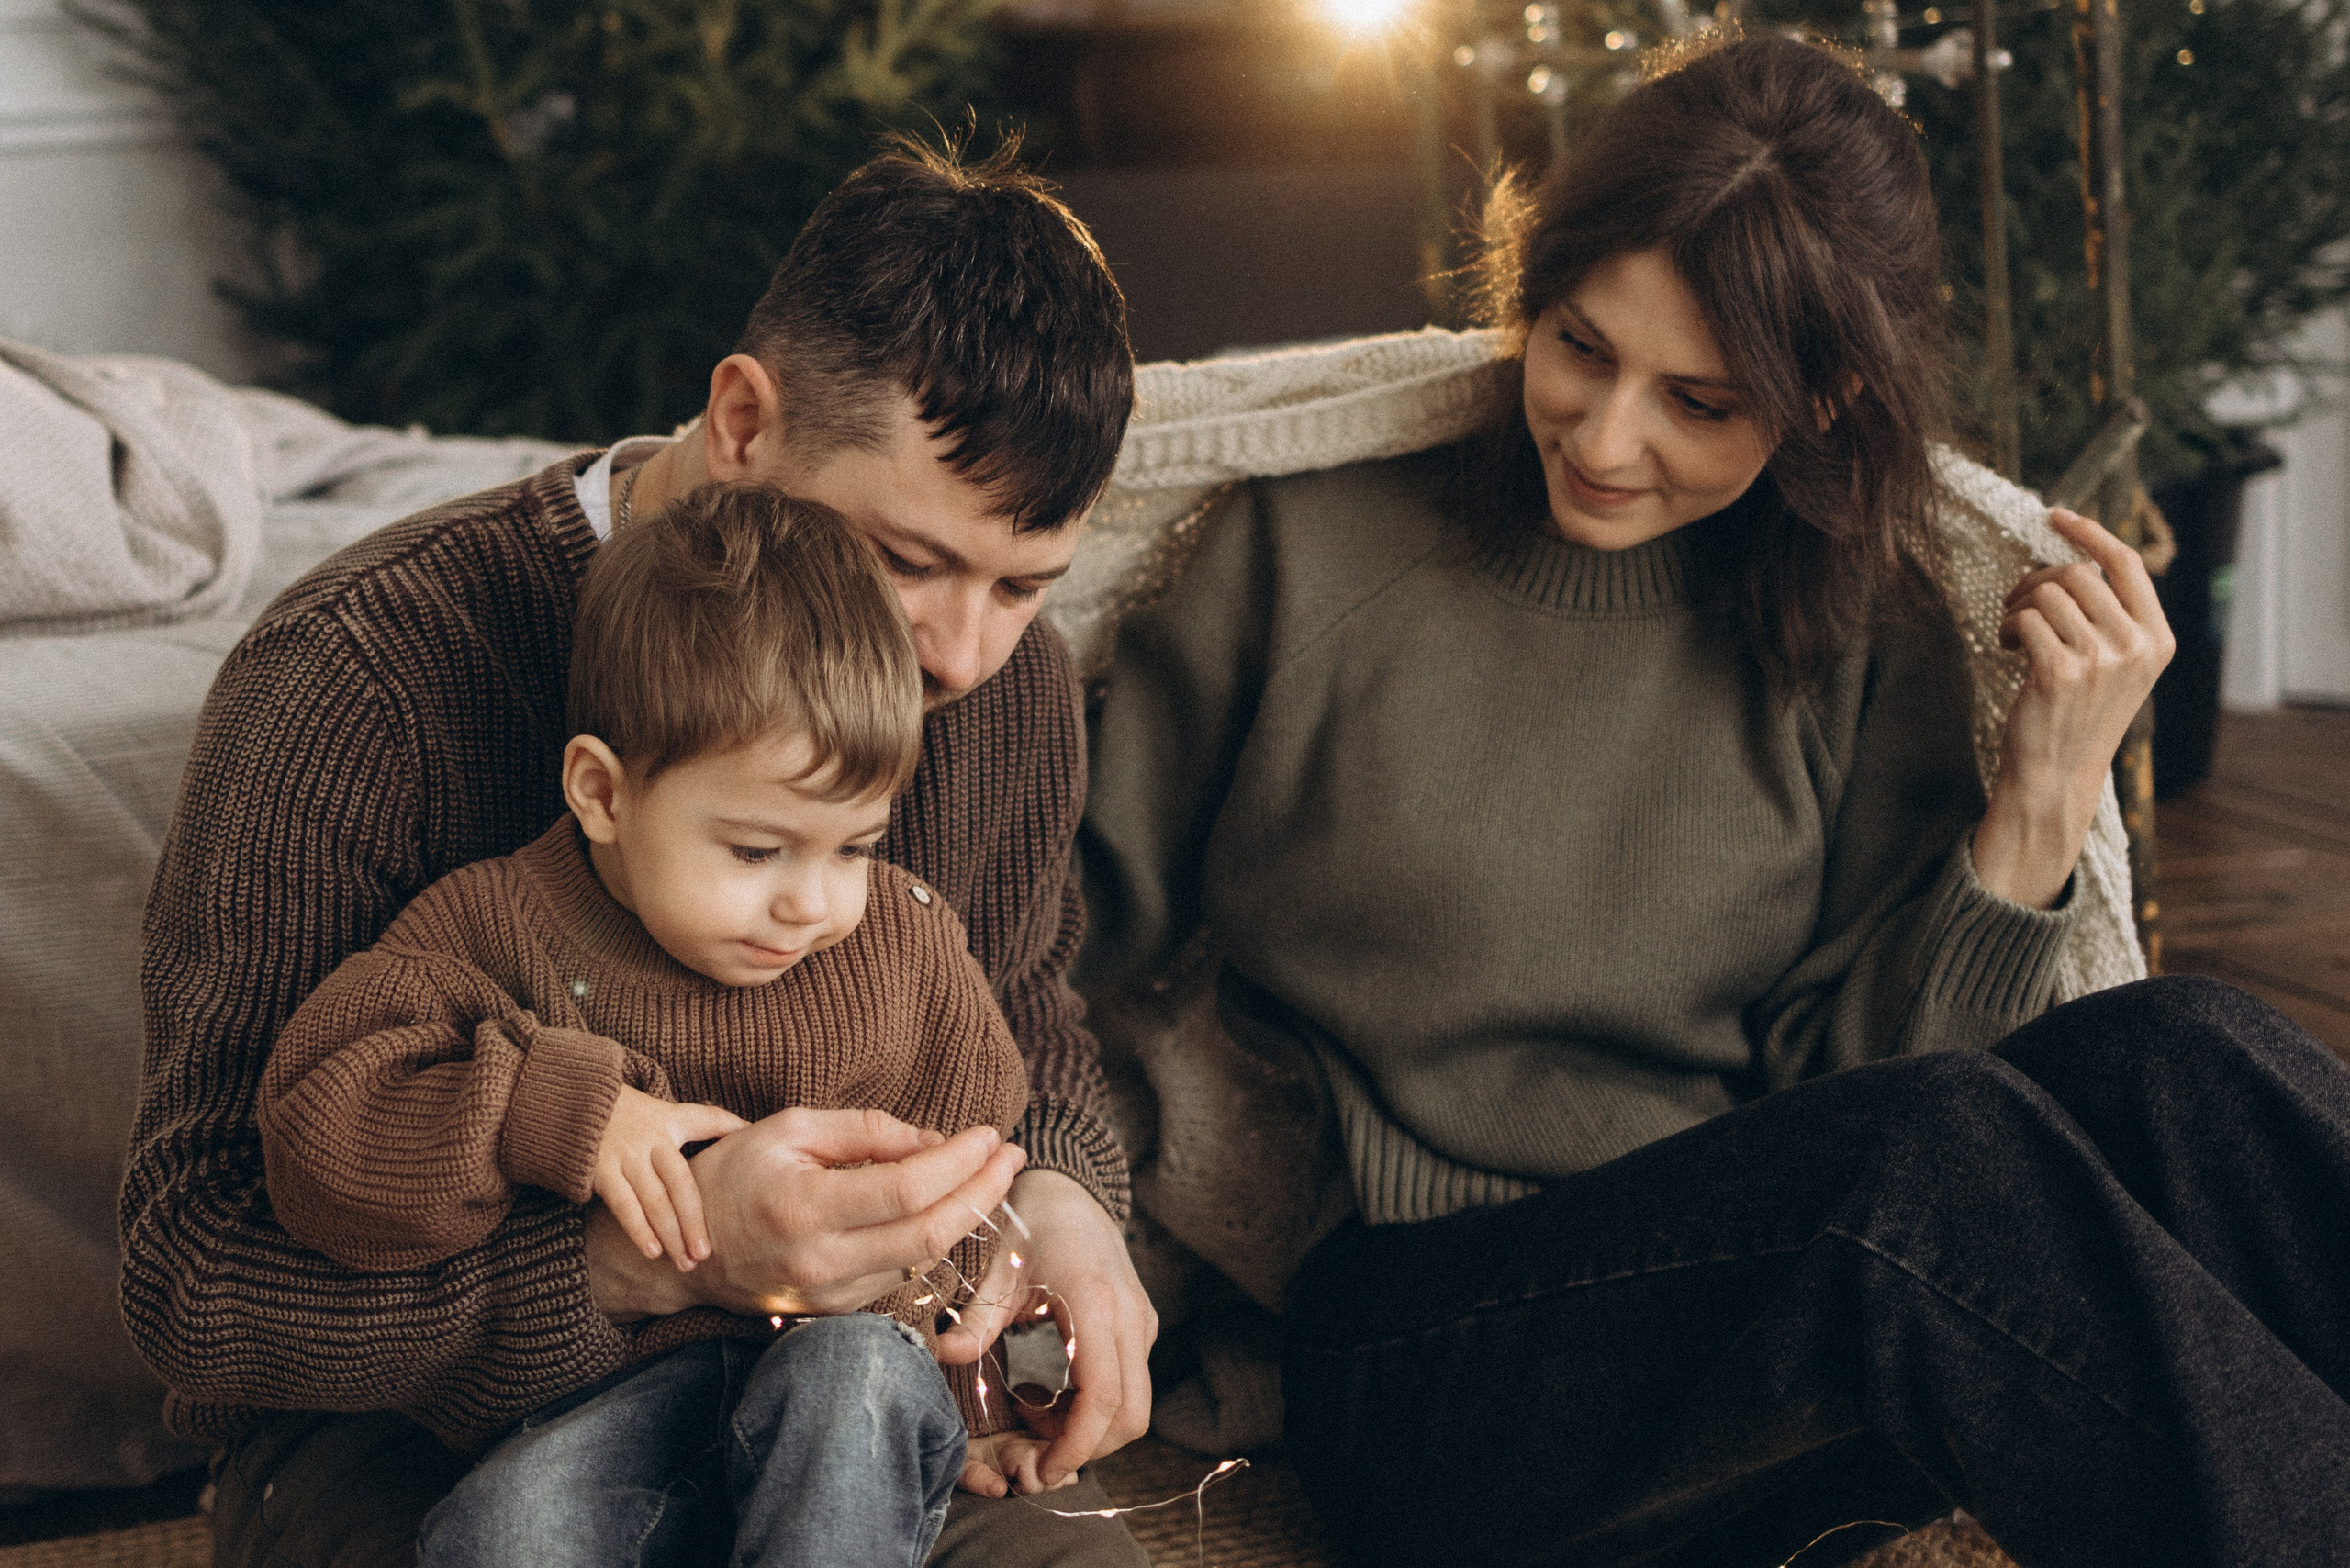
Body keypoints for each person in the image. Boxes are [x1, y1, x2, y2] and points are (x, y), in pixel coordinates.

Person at [1079, 32, 2350, 1567]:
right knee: (1924, 1172)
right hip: (1424, 1362)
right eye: (1580, 346)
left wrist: (2041, 798)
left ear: (1825, 400)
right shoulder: (1306, 554)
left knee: (2183, 1053)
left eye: (1699, 398)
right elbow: (1049, 927)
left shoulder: (1856, 625)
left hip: (1747, 1323)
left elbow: (1871, 1104)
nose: (1610, 440)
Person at [123, 139, 1157, 1568]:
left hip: (842, 1390)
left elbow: (1031, 1027)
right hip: (417, 1425)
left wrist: (1068, 1206)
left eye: (1025, 585)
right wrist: (645, 1263)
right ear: (741, 419)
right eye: (906, 563)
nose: (960, 656)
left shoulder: (1007, 692)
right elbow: (194, 1275)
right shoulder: (358, 678)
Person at [257, 484, 1065, 1566]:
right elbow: (321, 1137)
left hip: (840, 1376)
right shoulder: (488, 925)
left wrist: (994, 1391)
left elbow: (970, 1209)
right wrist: (546, 1110)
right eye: (754, 849)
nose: (811, 904)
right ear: (601, 793)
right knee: (503, 1532)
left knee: (857, 1381)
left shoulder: (908, 954)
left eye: (854, 847)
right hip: (600, 1401)